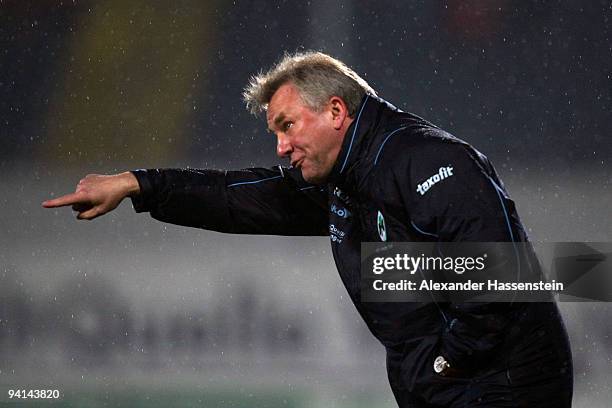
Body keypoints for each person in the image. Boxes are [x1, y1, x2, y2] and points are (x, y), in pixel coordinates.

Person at [43, 51, 573, 407]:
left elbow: (499, 282)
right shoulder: (345, 178)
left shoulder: (432, 162)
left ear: (336, 111)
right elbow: (237, 199)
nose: (280, 146)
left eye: (287, 126)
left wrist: (442, 365)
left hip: (503, 388)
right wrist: (138, 184)